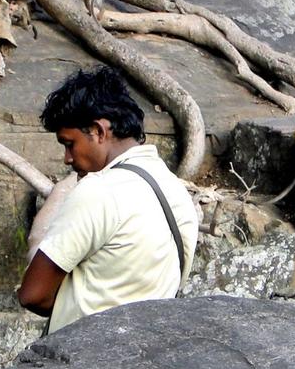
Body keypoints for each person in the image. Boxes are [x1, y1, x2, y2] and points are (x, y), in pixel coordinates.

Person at [17, 66, 198, 334]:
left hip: (82, 360)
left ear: (99, 131)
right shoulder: (177, 193)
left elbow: (33, 294)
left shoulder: (99, 191)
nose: (67, 158)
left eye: (69, 144)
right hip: (144, 358)